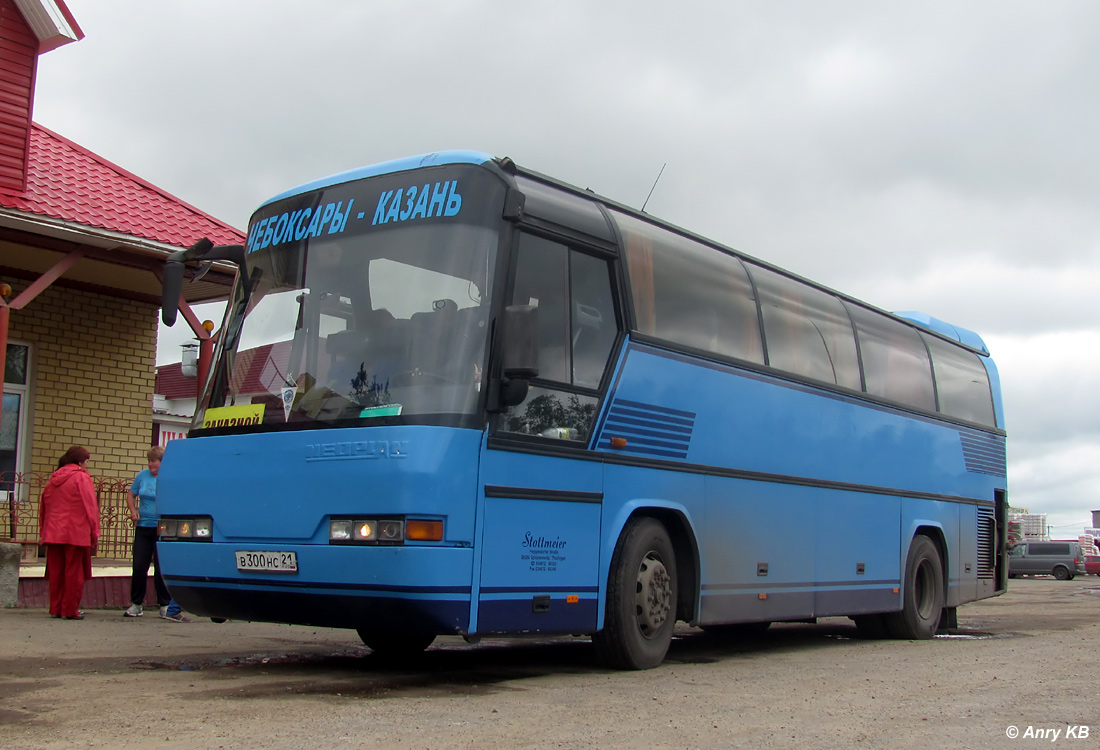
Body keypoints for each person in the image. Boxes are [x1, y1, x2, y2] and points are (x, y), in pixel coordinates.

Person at [39, 445, 100, 620]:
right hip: (76, 532)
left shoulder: (54, 478)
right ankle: (70, 610)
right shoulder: (81, 478)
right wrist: (95, 531)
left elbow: (45, 506)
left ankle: (56, 608)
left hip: (54, 531)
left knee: (56, 571)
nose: (87, 465)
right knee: (74, 572)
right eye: (87, 461)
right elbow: (90, 507)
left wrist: (45, 529)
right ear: (80, 461)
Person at [124, 445, 184, 620]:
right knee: (139, 566)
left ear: (162, 462)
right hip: (143, 526)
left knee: (160, 568)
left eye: (154, 461)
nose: (150, 464)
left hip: (162, 528)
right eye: (149, 461)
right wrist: (133, 510)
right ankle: (136, 604)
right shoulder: (142, 476)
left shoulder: (168, 478)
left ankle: (164, 604)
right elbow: (131, 494)